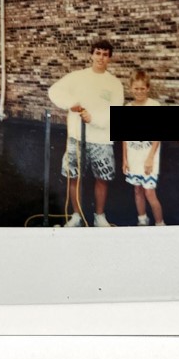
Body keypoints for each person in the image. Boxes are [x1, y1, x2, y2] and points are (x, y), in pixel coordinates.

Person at [48, 39, 124, 227]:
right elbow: (54, 90)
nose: (101, 57)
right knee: (74, 176)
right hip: (77, 137)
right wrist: (70, 103)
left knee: (102, 178)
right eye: (97, 53)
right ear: (91, 55)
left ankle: (99, 216)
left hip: (102, 139)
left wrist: (94, 119)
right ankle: (76, 215)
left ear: (110, 59)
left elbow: (116, 113)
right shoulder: (77, 76)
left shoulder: (115, 83)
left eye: (105, 54)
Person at [122, 69, 166, 226]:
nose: (139, 92)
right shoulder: (127, 108)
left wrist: (150, 158)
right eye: (136, 88)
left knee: (149, 192)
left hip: (148, 159)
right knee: (137, 190)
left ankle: (160, 223)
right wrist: (125, 160)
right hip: (133, 157)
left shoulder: (154, 105)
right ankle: (142, 219)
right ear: (131, 88)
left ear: (148, 88)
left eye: (142, 88)